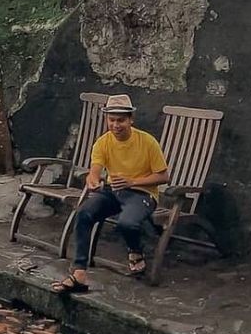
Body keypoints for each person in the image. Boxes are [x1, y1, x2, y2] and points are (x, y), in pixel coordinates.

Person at [52, 94, 169, 294]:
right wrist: (93, 181)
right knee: (83, 213)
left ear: (131, 119)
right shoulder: (103, 143)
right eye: (112, 120)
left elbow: (163, 176)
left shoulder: (147, 142)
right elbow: (95, 171)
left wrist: (133, 181)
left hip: (143, 193)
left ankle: (135, 250)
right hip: (115, 192)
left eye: (121, 120)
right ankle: (79, 272)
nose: (116, 125)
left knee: (127, 223)